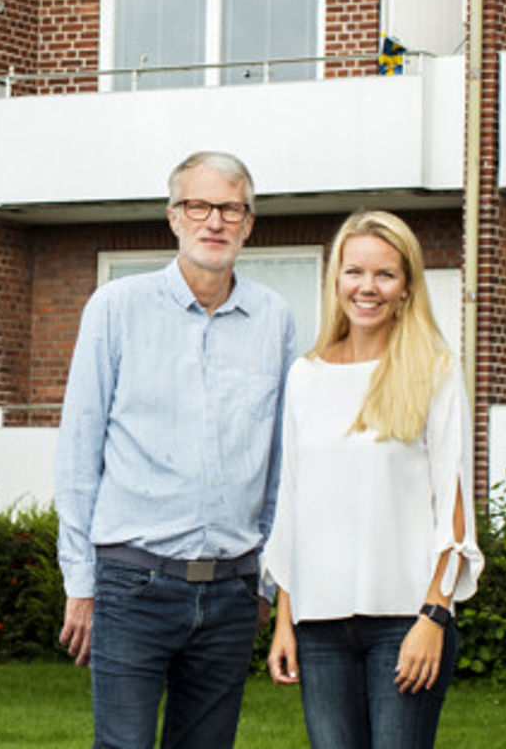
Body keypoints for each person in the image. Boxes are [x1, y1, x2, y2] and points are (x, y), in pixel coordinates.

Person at [55, 150, 298, 749]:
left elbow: (280, 462)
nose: (214, 222)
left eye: (230, 209)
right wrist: (79, 582)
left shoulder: (275, 319)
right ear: (173, 217)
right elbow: (79, 451)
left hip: (231, 592)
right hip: (133, 582)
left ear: (249, 223)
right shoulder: (116, 309)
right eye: (199, 206)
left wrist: (263, 580)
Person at [263, 210, 483, 749]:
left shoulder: (433, 370)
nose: (367, 287)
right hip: (318, 627)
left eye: (385, 274)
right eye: (354, 272)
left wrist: (434, 616)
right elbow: (292, 505)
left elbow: (452, 509)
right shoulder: (304, 376)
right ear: (335, 279)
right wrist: (284, 621)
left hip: (405, 621)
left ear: (407, 288)